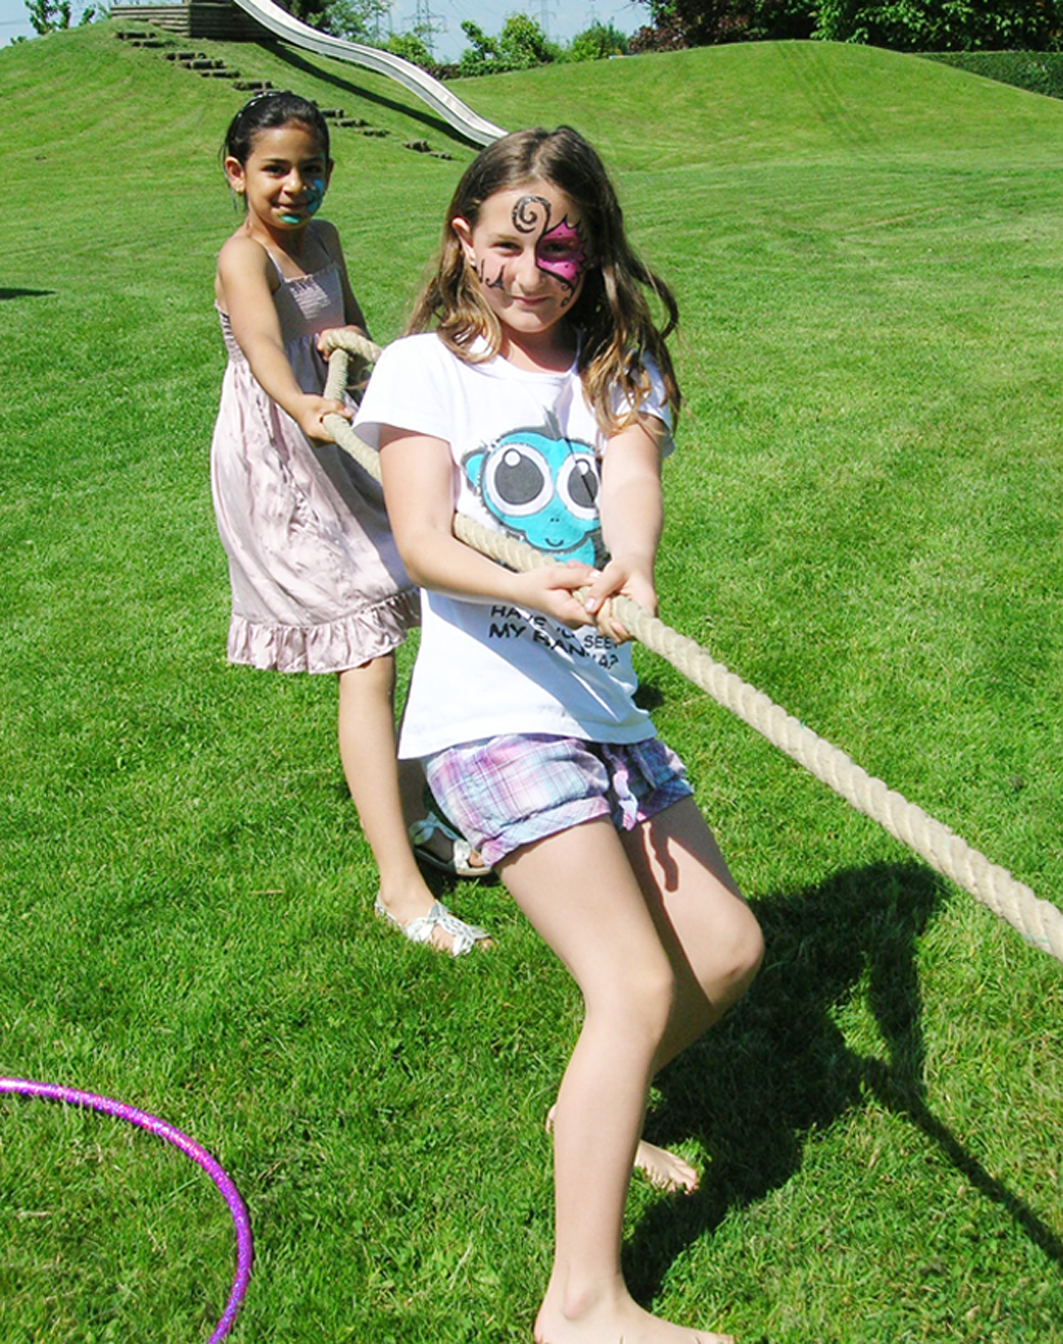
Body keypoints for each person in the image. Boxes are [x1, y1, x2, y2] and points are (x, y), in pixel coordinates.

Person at [355, 126, 764, 1344]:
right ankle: (582, 1306)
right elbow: (422, 539)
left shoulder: (615, 366)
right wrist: (530, 584)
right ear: (462, 241)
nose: (532, 275)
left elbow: (629, 481)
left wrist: (628, 561)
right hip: (490, 717)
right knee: (631, 982)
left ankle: (595, 1104)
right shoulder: (424, 369)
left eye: (561, 252)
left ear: (592, 253)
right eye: (508, 246)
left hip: (601, 706)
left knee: (725, 950)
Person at [210, 90, 489, 955]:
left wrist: (375, 374)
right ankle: (400, 892)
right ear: (237, 174)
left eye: (312, 169)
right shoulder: (242, 258)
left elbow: (349, 325)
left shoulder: (324, 240)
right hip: (282, 462)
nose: (296, 185)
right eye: (276, 169)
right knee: (367, 653)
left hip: (343, 440)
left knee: (411, 613)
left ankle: (415, 816)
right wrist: (303, 403)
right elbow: (266, 349)